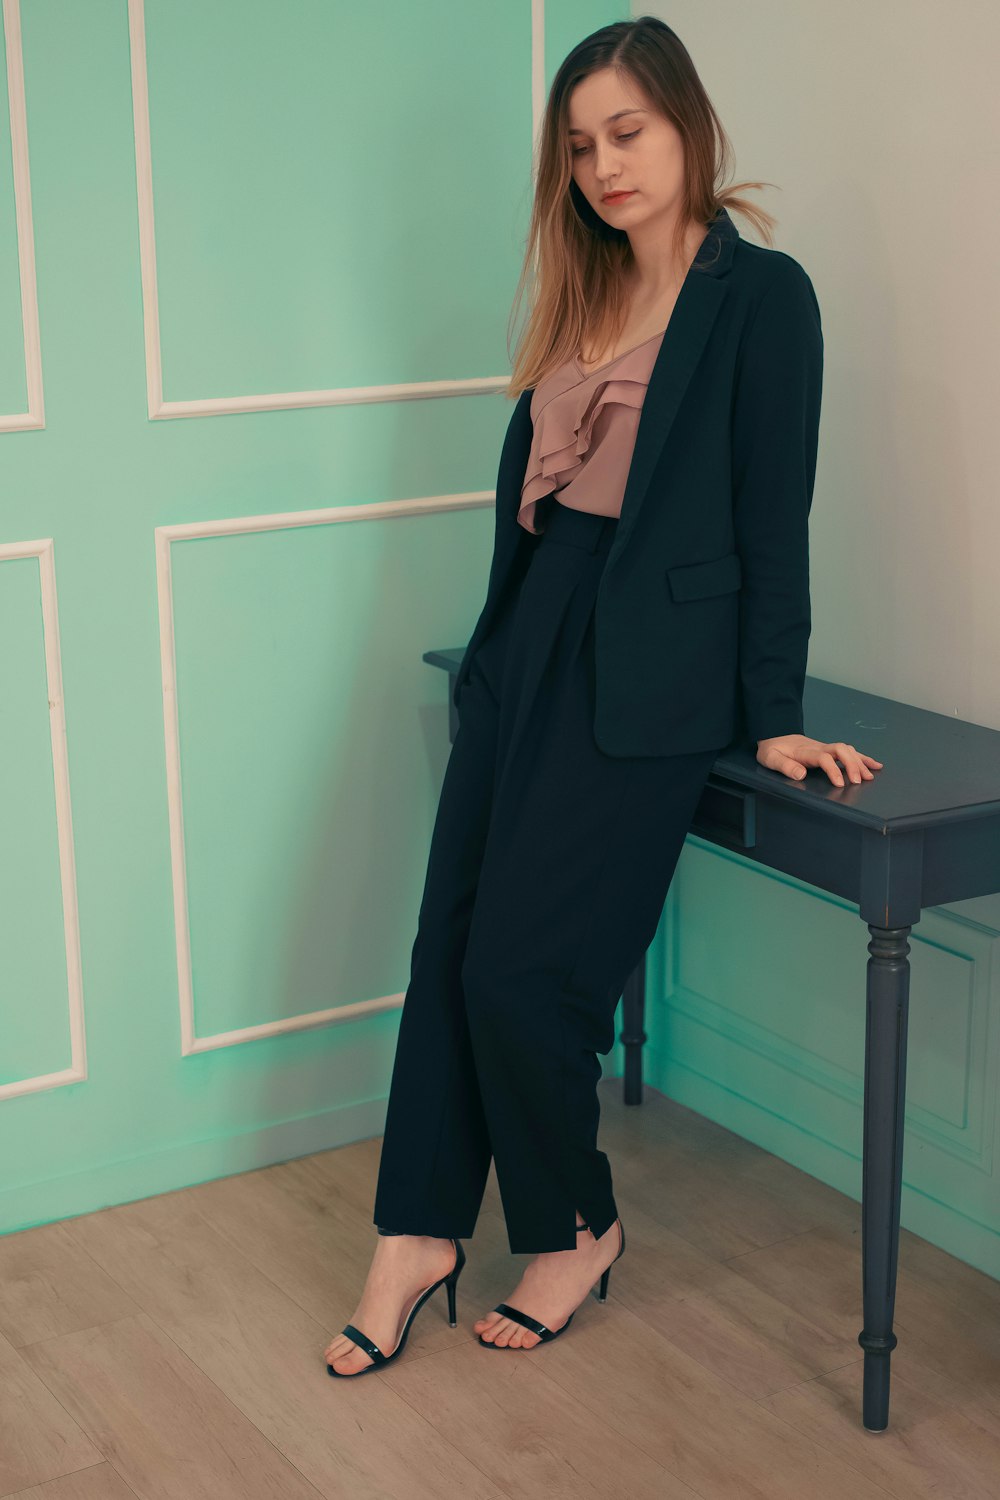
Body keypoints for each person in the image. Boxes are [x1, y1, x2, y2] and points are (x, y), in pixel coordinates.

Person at [325, 15, 883, 1378]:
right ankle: (415, 1234)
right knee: (447, 942)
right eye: (581, 146)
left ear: (685, 122)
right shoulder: (580, 292)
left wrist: (774, 710)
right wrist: (504, 639)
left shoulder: (762, 298)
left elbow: (772, 517)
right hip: (529, 636)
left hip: (650, 674)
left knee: (524, 972)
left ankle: (575, 1224)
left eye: (626, 132)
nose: (604, 165)